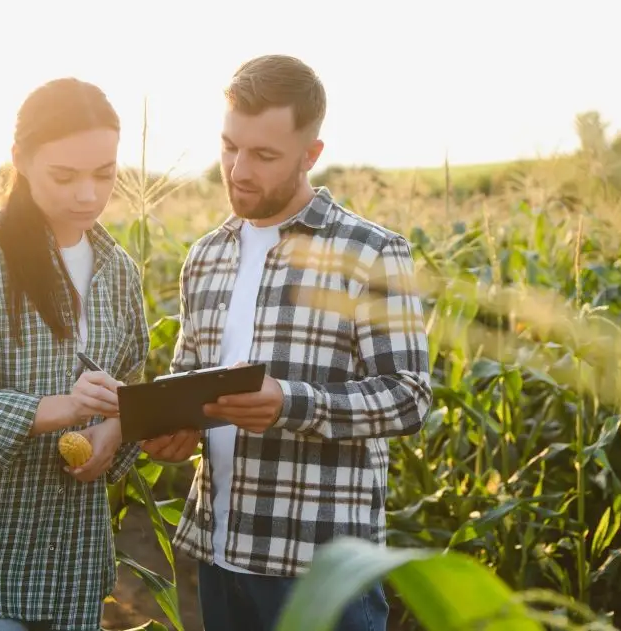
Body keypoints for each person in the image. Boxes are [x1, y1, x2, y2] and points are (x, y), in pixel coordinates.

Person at [142, 54, 432, 631]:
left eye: (264, 155)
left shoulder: (370, 252)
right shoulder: (206, 256)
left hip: (323, 572)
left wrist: (290, 404)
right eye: (230, 147)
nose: (238, 170)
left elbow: (409, 397)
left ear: (311, 155)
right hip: (220, 551)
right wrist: (175, 426)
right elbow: (191, 380)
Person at [0, 77, 151, 631]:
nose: (89, 194)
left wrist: (116, 430)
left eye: (105, 174)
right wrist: (65, 407)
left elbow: (131, 385)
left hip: (70, 565)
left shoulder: (120, 271)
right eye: (64, 176)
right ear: (19, 159)